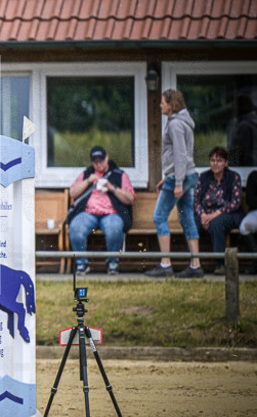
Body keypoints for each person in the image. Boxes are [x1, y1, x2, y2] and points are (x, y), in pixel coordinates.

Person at [145, 89, 202, 278]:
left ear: (171, 104)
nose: (160, 105)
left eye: (162, 102)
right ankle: (196, 266)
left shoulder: (176, 125)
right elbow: (180, 156)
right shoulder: (181, 123)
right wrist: (168, 176)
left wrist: (177, 182)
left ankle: (165, 264)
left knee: (159, 217)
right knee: (187, 218)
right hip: (187, 175)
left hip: (181, 178)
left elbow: (180, 154)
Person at [66, 146, 136, 275]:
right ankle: (82, 264)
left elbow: (130, 199)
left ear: (107, 158)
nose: (98, 164)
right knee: (76, 227)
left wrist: (111, 187)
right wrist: (88, 181)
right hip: (88, 213)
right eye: (95, 162)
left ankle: (112, 263)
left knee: (114, 228)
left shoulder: (119, 174)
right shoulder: (87, 174)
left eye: (101, 161)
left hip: (112, 213)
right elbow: (72, 192)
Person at [194, 146, 244, 274]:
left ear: (226, 162)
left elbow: (235, 203)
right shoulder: (203, 177)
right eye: (212, 160)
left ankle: (221, 263)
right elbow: (196, 200)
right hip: (206, 214)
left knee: (217, 224)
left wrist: (215, 214)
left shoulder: (234, 177)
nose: (215, 164)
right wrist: (203, 215)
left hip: (228, 214)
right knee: (191, 224)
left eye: (219, 160)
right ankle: (195, 263)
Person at [228, 95, 257, 166]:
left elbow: (241, 153)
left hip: (246, 168)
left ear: (241, 107)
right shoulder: (251, 122)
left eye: (234, 105)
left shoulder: (244, 126)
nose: (232, 108)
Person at [239, 170, 257, 274]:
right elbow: (250, 200)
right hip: (255, 212)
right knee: (244, 226)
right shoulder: (254, 176)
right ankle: (256, 261)